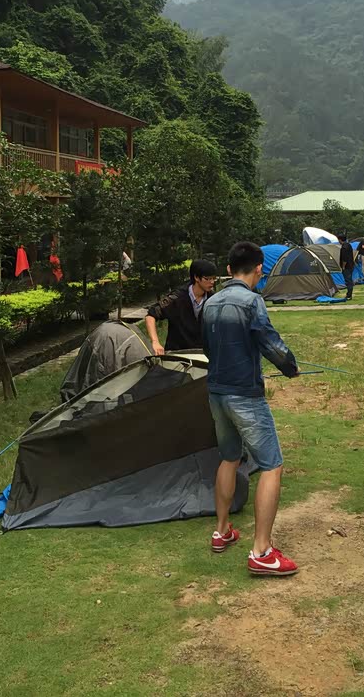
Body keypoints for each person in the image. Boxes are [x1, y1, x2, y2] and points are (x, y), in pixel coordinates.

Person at [202, 241, 300, 576]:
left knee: (229, 457)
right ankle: (261, 552)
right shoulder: (252, 301)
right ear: (259, 269)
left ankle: (222, 531)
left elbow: (211, 347)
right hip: (244, 395)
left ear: (229, 269)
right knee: (272, 465)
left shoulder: (210, 302)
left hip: (216, 393)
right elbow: (270, 342)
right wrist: (290, 367)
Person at [145, 259, 217, 355]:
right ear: (196, 277)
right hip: (177, 354)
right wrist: (155, 342)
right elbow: (151, 315)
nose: (212, 282)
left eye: (214, 278)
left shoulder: (213, 299)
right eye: (207, 279)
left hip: (202, 355)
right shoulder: (177, 298)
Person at [338, 234, 355, 299]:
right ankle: (349, 294)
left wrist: (343, 266)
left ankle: (349, 295)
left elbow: (344, 258)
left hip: (347, 266)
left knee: (348, 281)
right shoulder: (349, 245)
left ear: (340, 239)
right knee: (349, 280)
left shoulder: (344, 247)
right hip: (351, 265)